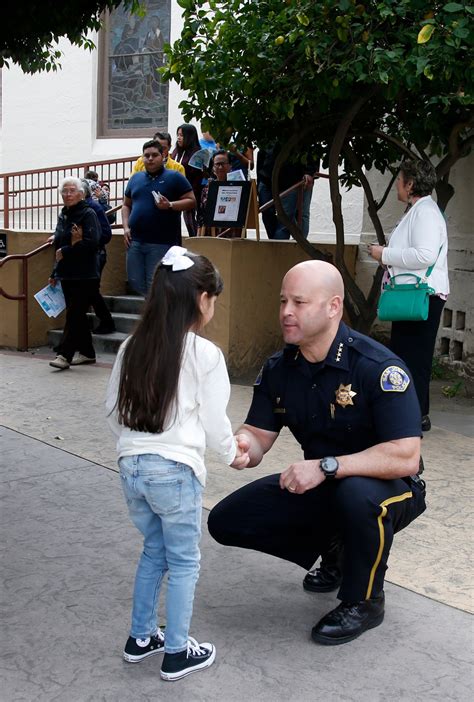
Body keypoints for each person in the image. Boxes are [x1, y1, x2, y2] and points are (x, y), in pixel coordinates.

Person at [208, 260, 427, 646]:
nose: (286, 312)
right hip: (324, 482)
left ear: (333, 307)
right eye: (283, 301)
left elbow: (405, 455)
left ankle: (365, 600)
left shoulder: (377, 367)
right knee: (227, 520)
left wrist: (327, 467)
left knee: (357, 495)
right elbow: (259, 434)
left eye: (299, 302)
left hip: (391, 486)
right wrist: (243, 446)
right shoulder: (280, 368)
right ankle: (337, 551)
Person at [105, 246, 249, 681]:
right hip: (176, 472)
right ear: (201, 299)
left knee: (155, 550)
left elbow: (112, 410)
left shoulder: (132, 346)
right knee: (185, 561)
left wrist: (134, 448)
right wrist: (233, 454)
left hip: (132, 470)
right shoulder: (204, 354)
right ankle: (176, 652)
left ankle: (140, 637)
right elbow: (213, 420)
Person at [368, 159, 449, 432]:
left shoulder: (425, 212)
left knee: (413, 357)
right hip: (414, 292)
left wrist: (385, 254)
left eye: (400, 180)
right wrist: (388, 259)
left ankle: (412, 416)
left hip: (422, 294)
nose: (397, 186)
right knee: (407, 355)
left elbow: (424, 255)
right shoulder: (419, 210)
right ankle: (413, 414)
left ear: (410, 183)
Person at [122, 139, 196, 296]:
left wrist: (169, 205)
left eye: (154, 155)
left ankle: (156, 317)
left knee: (155, 285)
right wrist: (126, 227)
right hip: (135, 242)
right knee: (135, 281)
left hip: (162, 242)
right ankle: (150, 313)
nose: (150, 158)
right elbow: (126, 205)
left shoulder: (175, 177)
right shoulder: (136, 178)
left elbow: (191, 201)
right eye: (146, 155)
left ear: (163, 156)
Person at [49, 177, 101, 370]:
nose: (68, 194)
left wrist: (70, 249)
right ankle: (88, 352)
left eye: (72, 191)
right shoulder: (63, 214)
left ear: (81, 194)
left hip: (85, 274)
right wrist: (55, 271)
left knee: (74, 314)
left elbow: (93, 242)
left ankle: (64, 354)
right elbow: (59, 246)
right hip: (67, 273)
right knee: (77, 315)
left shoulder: (88, 214)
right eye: (65, 191)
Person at [257, 145, 316, 240]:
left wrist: (309, 171)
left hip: (291, 180)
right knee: (266, 212)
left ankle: (279, 247)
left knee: (286, 218)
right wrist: (258, 183)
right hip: (267, 178)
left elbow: (312, 150)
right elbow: (261, 154)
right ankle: (276, 243)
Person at [81, 179, 116, 334]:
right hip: (84, 255)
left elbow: (106, 233)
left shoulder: (93, 207)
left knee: (90, 290)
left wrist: (88, 241)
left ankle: (107, 322)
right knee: (86, 291)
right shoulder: (75, 208)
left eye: (72, 190)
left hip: (95, 255)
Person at [171, 124, 202, 237]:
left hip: (192, 190)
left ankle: (195, 239)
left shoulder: (197, 153)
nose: (178, 138)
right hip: (175, 191)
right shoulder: (176, 151)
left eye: (182, 135)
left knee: (190, 217)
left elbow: (197, 174)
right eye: (178, 135)